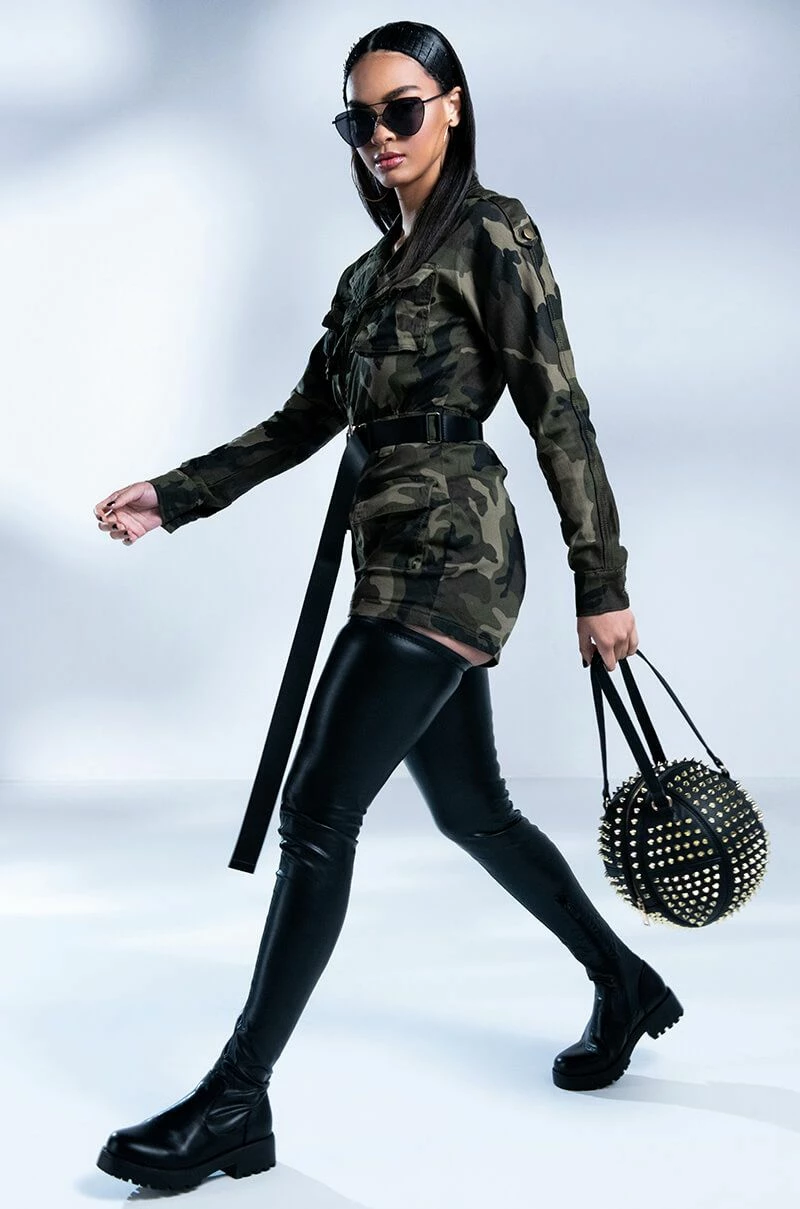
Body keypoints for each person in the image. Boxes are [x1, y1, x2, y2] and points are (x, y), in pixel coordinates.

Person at [92, 20, 683, 1193]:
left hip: (452, 556)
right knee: (474, 813)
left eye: (400, 110)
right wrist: (174, 494)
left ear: (451, 106)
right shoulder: (366, 279)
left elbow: (557, 410)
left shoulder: (494, 233)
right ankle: (623, 984)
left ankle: (235, 1102)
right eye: (358, 120)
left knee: (317, 815)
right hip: (389, 557)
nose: (379, 136)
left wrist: (601, 581)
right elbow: (300, 421)